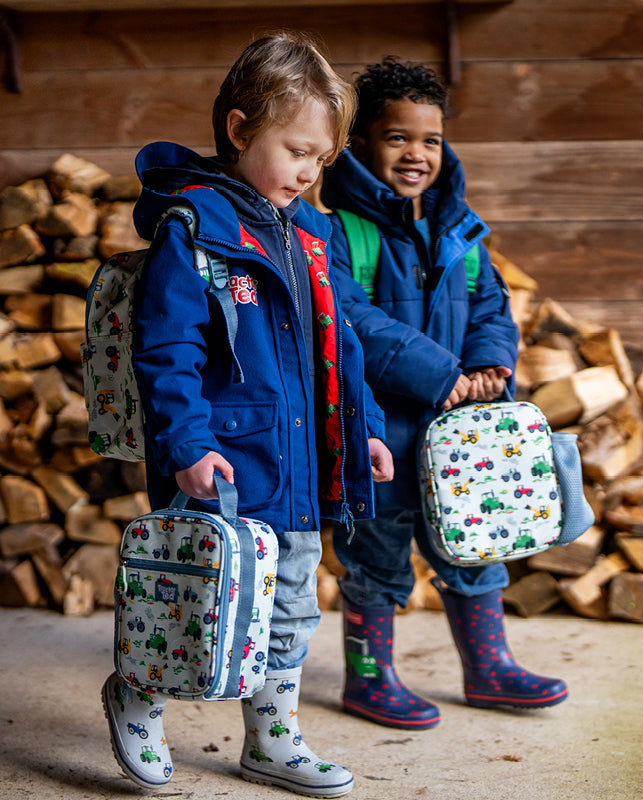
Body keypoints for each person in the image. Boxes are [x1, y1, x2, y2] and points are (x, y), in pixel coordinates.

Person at [100, 32, 393, 798]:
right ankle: (137, 697)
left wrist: (362, 429)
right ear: (238, 130)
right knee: (191, 597)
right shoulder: (194, 228)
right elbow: (165, 349)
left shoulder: (313, 232)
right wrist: (187, 444)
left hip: (298, 463)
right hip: (224, 461)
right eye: (296, 149)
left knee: (292, 604)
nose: (307, 171)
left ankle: (272, 740)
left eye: (320, 160)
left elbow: (342, 345)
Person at [321, 56, 569, 731]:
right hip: (382, 437)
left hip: (464, 436)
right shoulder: (340, 230)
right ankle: (368, 679)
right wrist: (439, 371)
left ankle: (488, 668)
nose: (417, 154)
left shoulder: (459, 229)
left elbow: (492, 304)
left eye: (430, 140)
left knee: (477, 543)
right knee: (375, 557)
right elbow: (350, 320)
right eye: (398, 137)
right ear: (361, 143)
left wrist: (489, 362)